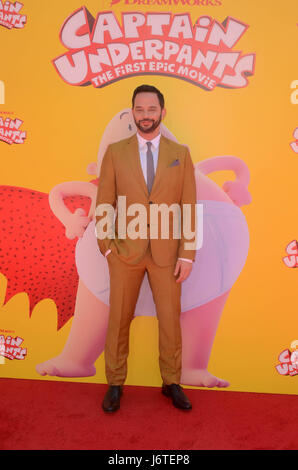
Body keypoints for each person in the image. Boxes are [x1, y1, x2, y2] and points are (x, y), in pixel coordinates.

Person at [95, 84, 197, 411]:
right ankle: (115, 382)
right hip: (124, 252)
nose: (145, 116)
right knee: (118, 320)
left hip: (168, 255)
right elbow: (104, 203)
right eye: (140, 110)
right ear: (133, 112)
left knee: (170, 320)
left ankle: (172, 381)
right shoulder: (115, 152)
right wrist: (106, 246)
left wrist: (187, 253)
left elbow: (189, 206)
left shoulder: (180, 154)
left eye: (151, 110)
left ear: (162, 113)